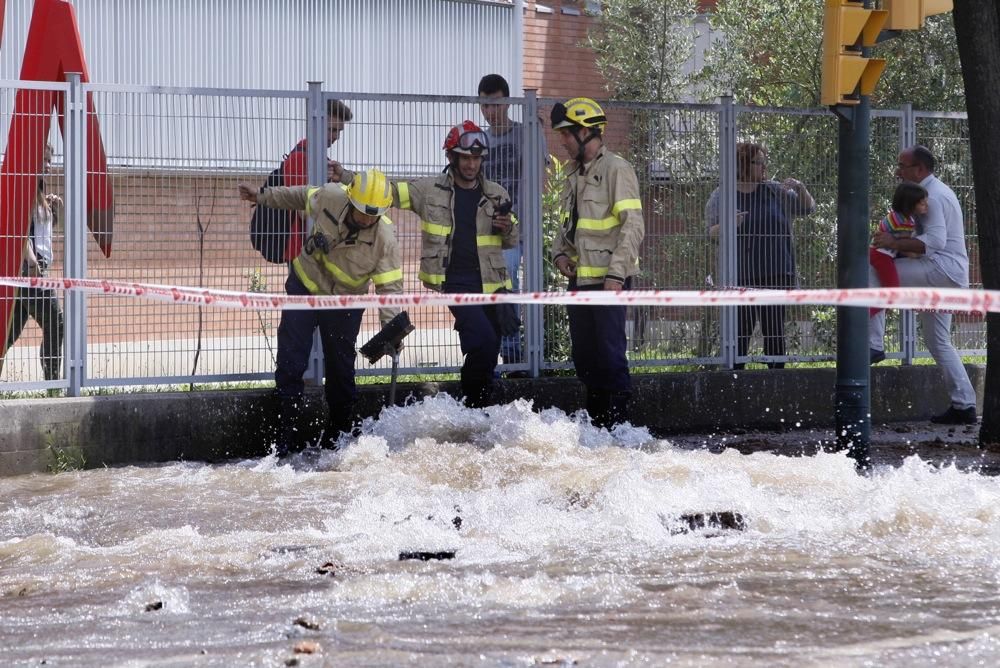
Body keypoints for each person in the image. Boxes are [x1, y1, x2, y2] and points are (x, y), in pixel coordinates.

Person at [238, 169, 403, 455]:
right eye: (362, 212)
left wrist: (392, 330)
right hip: (305, 287)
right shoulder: (331, 195)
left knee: (340, 370)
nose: (366, 220)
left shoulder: (385, 238)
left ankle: (336, 441)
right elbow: (299, 196)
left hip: (344, 304)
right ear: (351, 200)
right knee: (292, 359)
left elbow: (390, 288)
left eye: (372, 215)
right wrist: (262, 197)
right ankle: (284, 438)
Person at [388, 120, 517, 408]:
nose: (472, 164)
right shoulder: (429, 191)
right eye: (466, 158)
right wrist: (345, 177)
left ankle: (479, 407)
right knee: (482, 341)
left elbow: (512, 240)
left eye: (476, 158)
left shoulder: (497, 193)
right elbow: (387, 192)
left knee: (489, 350)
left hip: (494, 284)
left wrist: (506, 227)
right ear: (451, 157)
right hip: (457, 283)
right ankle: (473, 403)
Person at [549, 97, 644, 429]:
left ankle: (619, 429)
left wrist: (616, 276)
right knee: (586, 359)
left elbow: (633, 225)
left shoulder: (616, 169)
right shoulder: (574, 174)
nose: (561, 142)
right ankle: (596, 429)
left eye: (566, 134)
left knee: (610, 356)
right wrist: (559, 254)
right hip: (581, 283)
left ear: (585, 133)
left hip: (609, 281)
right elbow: (569, 225)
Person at [870, 145, 978, 425]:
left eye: (902, 166)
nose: (897, 172)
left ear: (919, 169)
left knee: (873, 270)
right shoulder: (931, 192)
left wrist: (893, 243)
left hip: (940, 271)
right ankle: (964, 406)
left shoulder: (933, 196)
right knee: (938, 340)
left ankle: (872, 344)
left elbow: (937, 241)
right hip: (950, 275)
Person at [704, 142, 815, 369]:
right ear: (743, 164)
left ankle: (777, 383)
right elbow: (711, 234)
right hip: (740, 276)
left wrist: (802, 189)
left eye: (765, 162)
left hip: (776, 274)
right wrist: (728, 225)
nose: (764, 167)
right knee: (740, 332)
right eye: (759, 163)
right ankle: (734, 381)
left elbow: (808, 209)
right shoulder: (722, 195)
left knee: (774, 331)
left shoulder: (775, 190)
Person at [477, 74, 548, 371]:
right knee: (487, 291)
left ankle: (516, 359)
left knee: (510, 287)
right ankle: (489, 356)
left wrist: (524, 216)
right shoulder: (480, 140)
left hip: (519, 227)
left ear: (506, 102)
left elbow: (541, 178)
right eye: (484, 105)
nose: (489, 111)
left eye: (494, 104)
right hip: (485, 229)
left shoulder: (525, 135)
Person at [3, 144, 64, 383]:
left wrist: (53, 211)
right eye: (44, 160)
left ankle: (52, 380)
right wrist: (29, 258)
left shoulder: (39, 191)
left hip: (32, 268)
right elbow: (16, 228)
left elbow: (40, 233)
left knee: (9, 332)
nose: (48, 165)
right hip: (29, 270)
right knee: (55, 321)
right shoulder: (25, 188)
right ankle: (53, 381)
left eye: (50, 160)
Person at [279, 99, 354, 261]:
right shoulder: (299, 158)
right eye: (332, 130)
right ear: (316, 126)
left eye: (339, 131)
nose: (336, 137)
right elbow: (304, 210)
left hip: (316, 246)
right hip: (302, 250)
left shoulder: (319, 158)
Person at [869, 181, 927, 317]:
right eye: (922, 204)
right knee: (893, 290)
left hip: (883, 255)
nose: (926, 206)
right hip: (881, 256)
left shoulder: (902, 219)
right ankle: (866, 312)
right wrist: (912, 251)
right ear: (910, 204)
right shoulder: (900, 221)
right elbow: (899, 241)